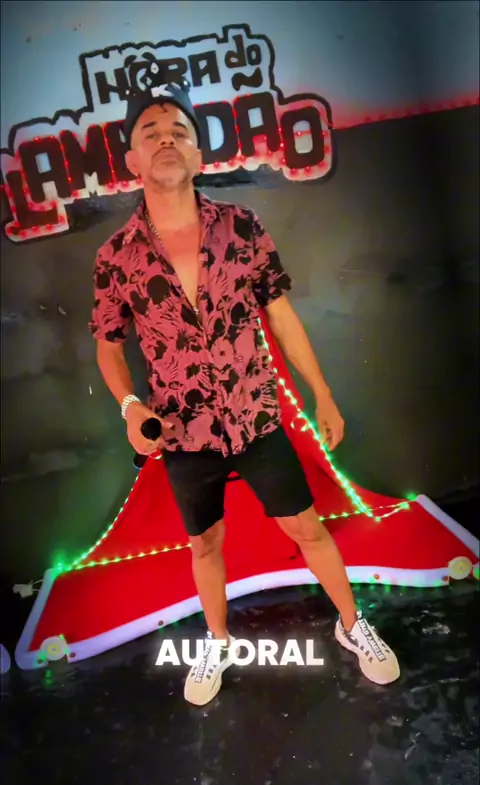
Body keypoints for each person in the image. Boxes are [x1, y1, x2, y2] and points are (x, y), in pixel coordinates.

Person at [89, 70, 400, 705]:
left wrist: (323, 394)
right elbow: (107, 344)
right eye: (151, 132)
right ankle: (219, 640)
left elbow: (280, 315)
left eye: (180, 130)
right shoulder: (115, 257)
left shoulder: (242, 227)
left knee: (308, 528)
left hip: (255, 418)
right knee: (204, 543)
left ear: (198, 153)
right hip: (183, 432)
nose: (167, 139)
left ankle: (351, 625)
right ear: (132, 159)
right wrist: (129, 406)